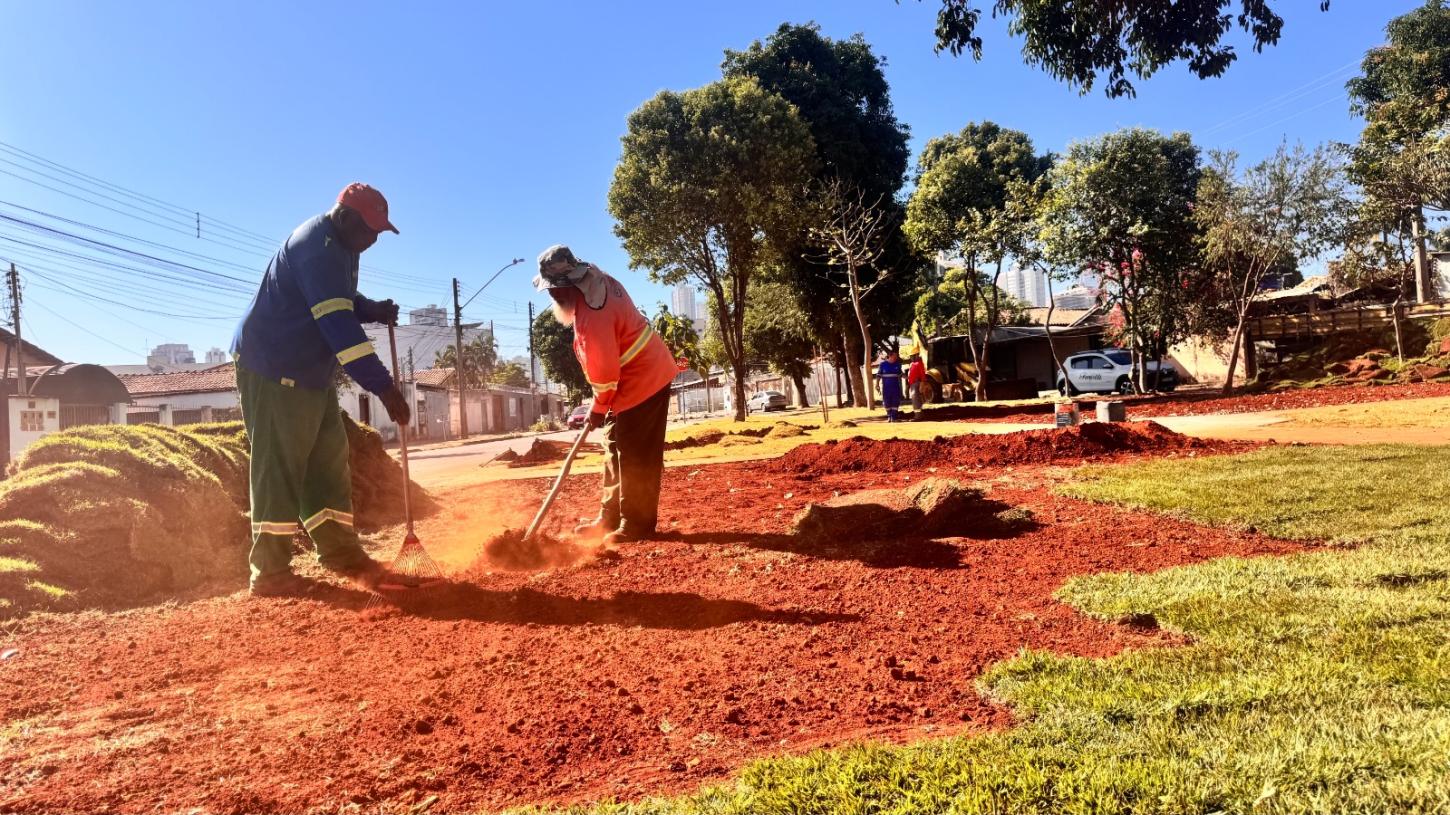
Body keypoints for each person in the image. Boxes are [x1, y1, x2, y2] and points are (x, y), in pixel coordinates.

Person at [232, 183, 412, 597]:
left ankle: (340, 553)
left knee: (327, 459)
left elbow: (340, 299)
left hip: (310, 373)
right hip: (273, 367)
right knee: (280, 466)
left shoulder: (343, 246)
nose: (373, 241)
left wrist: (369, 308)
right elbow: (338, 329)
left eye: (379, 233)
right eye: (370, 231)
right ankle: (271, 573)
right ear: (345, 217)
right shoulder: (316, 247)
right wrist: (384, 388)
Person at [535, 245, 677, 546]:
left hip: (644, 382)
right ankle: (610, 516)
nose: (552, 299)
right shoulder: (598, 281)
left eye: (552, 293)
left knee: (635, 456)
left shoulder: (591, 316)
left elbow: (605, 373)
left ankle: (636, 524)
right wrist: (602, 406)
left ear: (564, 290)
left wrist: (598, 408)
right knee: (614, 447)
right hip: (630, 385)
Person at [879, 349, 904, 422]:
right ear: (890, 356)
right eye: (895, 356)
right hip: (886, 388)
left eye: (896, 356)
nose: (896, 357)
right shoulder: (882, 365)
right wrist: (877, 384)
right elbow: (878, 375)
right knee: (886, 402)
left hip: (895, 387)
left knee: (895, 401)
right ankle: (889, 416)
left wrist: (908, 378)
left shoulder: (898, 364)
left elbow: (901, 374)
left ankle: (894, 418)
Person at [907, 353, 927, 420]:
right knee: (915, 399)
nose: (911, 357)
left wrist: (922, 383)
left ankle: (918, 416)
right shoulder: (912, 364)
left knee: (916, 399)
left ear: (916, 355)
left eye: (912, 356)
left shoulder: (919, 363)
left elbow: (922, 374)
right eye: (910, 356)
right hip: (912, 384)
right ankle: (920, 415)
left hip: (917, 383)